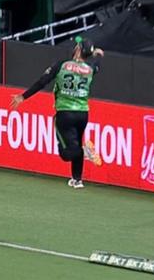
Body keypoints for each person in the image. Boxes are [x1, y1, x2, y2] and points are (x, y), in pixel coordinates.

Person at [10, 36, 104, 189]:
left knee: (65, 154)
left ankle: (85, 152)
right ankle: (77, 179)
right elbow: (97, 64)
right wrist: (98, 55)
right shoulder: (90, 69)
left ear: (78, 49)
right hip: (82, 114)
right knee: (77, 143)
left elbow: (42, 81)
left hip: (64, 113)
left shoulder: (62, 65)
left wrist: (23, 96)